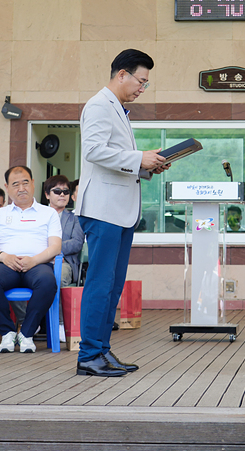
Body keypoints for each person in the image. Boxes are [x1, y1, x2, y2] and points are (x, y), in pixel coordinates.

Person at [76, 49, 167, 376]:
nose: (142, 87)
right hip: (103, 210)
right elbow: (94, 151)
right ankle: (89, 355)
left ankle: (101, 350)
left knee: (112, 285)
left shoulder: (117, 109)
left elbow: (116, 159)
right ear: (121, 74)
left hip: (117, 210)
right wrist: (138, 158)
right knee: (101, 284)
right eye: (141, 80)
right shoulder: (100, 105)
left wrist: (146, 166)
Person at [0, 166, 61, 353]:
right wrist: (4, 256)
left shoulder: (48, 213)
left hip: (38, 265)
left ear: (33, 184)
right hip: (7, 265)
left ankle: (27, 333)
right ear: (7, 188)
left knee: (48, 282)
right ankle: (7, 332)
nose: (21, 188)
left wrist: (34, 260)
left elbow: (56, 246)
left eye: (25, 182)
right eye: (15, 184)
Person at [43, 175, 84, 287]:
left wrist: (56, 253)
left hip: (64, 262)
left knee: (59, 279)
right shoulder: (38, 217)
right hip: (39, 260)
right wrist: (48, 255)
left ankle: (58, 306)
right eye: (57, 191)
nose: (62, 194)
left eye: (65, 192)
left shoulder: (76, 218)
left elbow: (77, 243)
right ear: (47, 195)